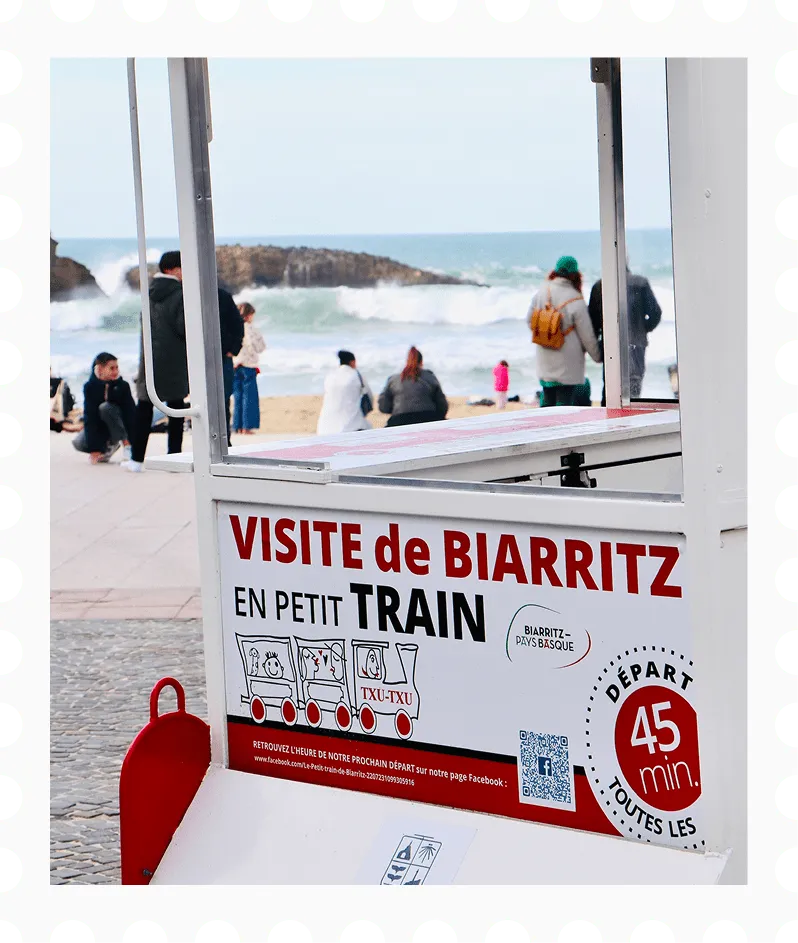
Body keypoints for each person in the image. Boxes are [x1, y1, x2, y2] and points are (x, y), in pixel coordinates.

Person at [124, 250, 189, 473]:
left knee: (144, 406)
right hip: (175, 359)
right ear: (173, 269)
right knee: (176, 409)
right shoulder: (180, 293)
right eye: (183, 267)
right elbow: (184, 328)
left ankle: (136, 459)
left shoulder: (148, 292)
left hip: (150, 358)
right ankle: (174, 458)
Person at [527, 256, 601, 408]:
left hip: (544, 355)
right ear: (575, 275)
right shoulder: (575, 299)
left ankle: (543, 430)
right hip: (567, 361)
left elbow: (529, 320)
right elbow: (587, 335)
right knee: (564, 403)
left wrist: (547, 335)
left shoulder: (542, 292)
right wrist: (598, 356)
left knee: (546, 398)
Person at [587, 265, 662, 401]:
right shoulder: (641, 283)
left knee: (610, 387)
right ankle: (630, 419)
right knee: (633, 387)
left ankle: (609, 420)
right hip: (637, 344)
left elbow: (592, 321)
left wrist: (600, 339)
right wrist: (643, 328)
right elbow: (656, 313)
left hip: (610, 344)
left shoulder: (599, 286)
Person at [71, 353, 136, 464]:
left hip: (121, 425)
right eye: (111, 368)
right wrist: (94, 449)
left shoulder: (123, 386)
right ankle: (107, 448)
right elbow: (90, 417)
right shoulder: (90, 387)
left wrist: (131, 440)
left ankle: (126, 445)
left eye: (117, 367)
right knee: (79, 442)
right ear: (100, 369)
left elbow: (131, 413)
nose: (116, 371)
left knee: (105, 407)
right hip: (102, 428)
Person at [378, 346, 448, 427]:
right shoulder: (430, 377)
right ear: (421, 362)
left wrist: (397, 409)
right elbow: (442, 407)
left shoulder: (393, 380)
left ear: (407, 361)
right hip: (428, 418)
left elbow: (383, 407)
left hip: (399, 420)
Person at [316, 350, 373, 435]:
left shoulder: (330, 376)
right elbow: (370, 397)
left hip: (324, 427)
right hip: (352, 426)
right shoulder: (356, 375)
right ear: (352, 362)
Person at [232, 302, 265, 435]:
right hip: (248, 366)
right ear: (250, 315)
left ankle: (237, 426)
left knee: (238, 397)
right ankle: (247, 427)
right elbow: (259, 347)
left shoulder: (233, 327)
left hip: (235, 365)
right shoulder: (251, 329)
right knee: (249, 397)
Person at [219, 287, 245, 444]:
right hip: (199, 356)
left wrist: (233, 348)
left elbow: (238, 323)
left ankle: (224, 440)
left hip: (222, 355)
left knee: (223, 398)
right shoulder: (185, 293)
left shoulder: (223, 296)